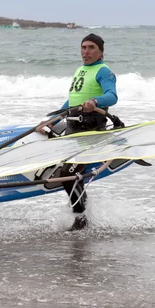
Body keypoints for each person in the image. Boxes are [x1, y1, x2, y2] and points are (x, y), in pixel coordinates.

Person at [39, 33, 118, 230]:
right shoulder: (80, 70)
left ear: (101, 52)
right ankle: (82, 215)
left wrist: (95, 101)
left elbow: (112, 96)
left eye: (91, 47)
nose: (86, 51)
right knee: (66, 173)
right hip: (72, 129)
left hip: (89, 132)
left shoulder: (103, 71)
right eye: (83, 47)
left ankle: (81, 219)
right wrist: (54, 118)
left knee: (67, 174)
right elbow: (73, 102)